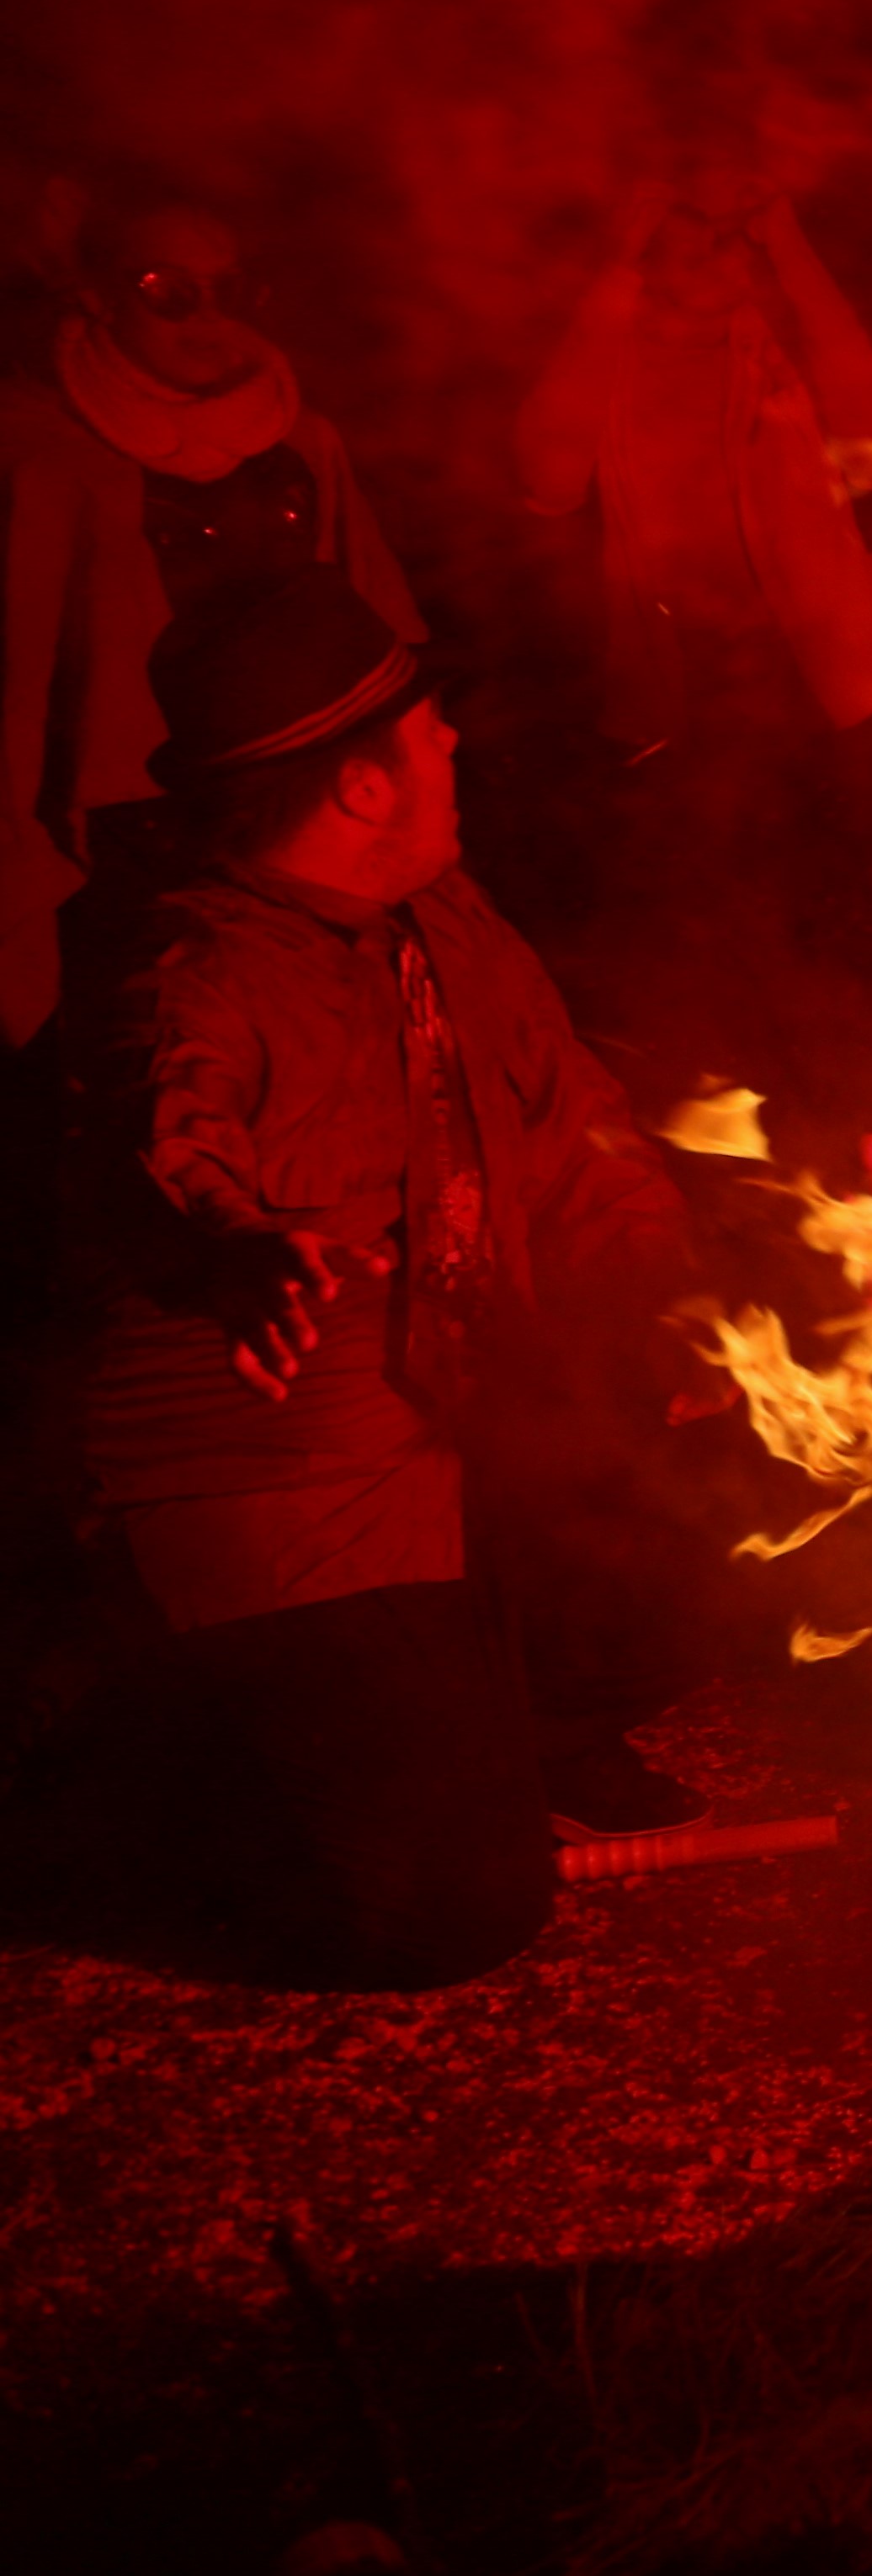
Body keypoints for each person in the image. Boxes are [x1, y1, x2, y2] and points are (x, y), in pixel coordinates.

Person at [59, 569, 695, 1987]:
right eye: (427, 729)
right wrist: (235, 1247)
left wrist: (676, 1301)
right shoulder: (197, 967)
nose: (453, 744)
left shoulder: (444, 915)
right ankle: (151, 1774)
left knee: (760, 1473)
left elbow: (574, 1124)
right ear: (357, 785)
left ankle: (510, 1719)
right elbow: (166, 1129)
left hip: (451, 1426)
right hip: (288, 1484)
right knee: (450, 1909)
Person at [2, 195, 420, 1043]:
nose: (208, 316)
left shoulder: (303, 443)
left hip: (299, 801)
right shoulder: (47, 462)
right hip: (133, 825)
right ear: (99, 298)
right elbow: (17, 698)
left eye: (231, 289)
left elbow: (383, 635)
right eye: (169, 290)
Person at [514, 174, 872, 756]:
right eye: (693, 254)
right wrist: (612, 276)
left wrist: (788, 245)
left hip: (820, 674)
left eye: (726, 243)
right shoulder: (603, 355)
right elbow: (549, 482)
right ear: (644, 269)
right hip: (682, 674)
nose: (724, 262)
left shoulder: (775, 341)